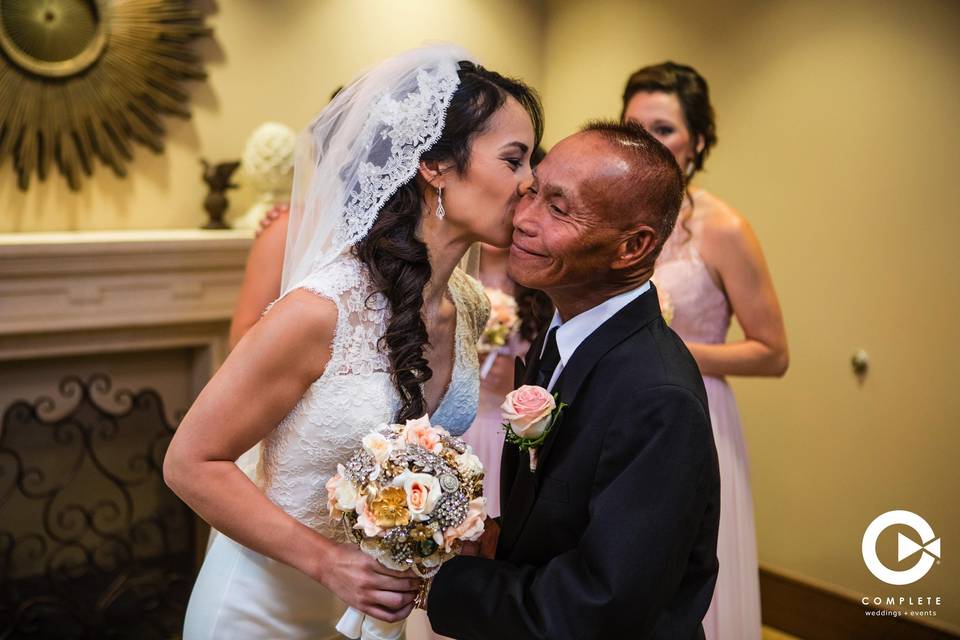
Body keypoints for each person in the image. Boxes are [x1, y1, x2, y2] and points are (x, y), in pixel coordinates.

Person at [163, 45, 542, 638]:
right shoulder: (320, 311)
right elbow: (189, 462)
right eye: (514, 160)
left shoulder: (467, 304)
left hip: (375, 614)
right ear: (435, 165)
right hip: (261, 610)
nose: (531, 183)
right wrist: (329, 562)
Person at [425, 121, 721, 640]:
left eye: (558, 209)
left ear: (632, 247)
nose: (524, 219)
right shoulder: (563, 335)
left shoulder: (657, 397)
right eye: (532, 191)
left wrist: (442, 584)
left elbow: (600, 605)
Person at [622, 61, 789, 639]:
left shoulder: (724, 229)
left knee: (684, 570)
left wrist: (666, 350)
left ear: (696, 141)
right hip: (620, 417)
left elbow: (772, 352)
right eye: (634, 127)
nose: (647, 142)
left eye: (663, 129)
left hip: (697, 413)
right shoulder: (617, 221)